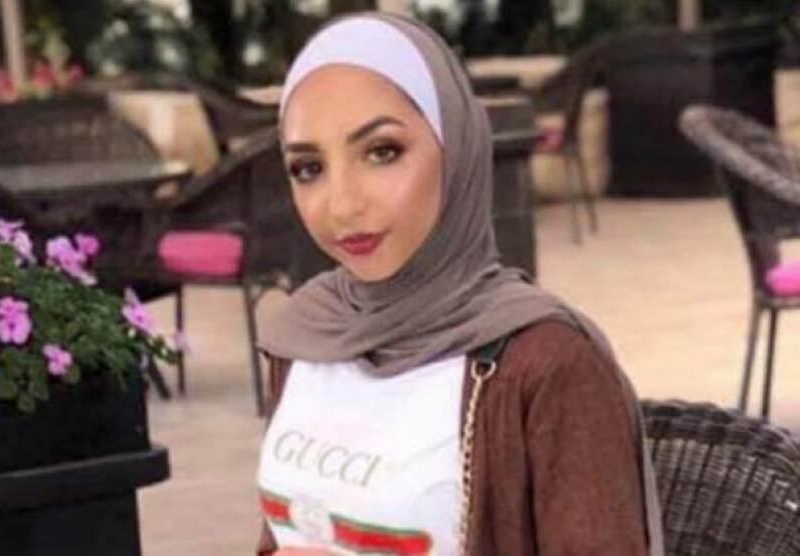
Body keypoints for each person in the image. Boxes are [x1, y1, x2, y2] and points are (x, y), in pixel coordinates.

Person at [256, 12, 663, 556]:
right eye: (309, 168)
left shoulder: (546, 363)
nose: (343, 205)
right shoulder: (305, 335)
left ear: (456, 150)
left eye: (382, 152)